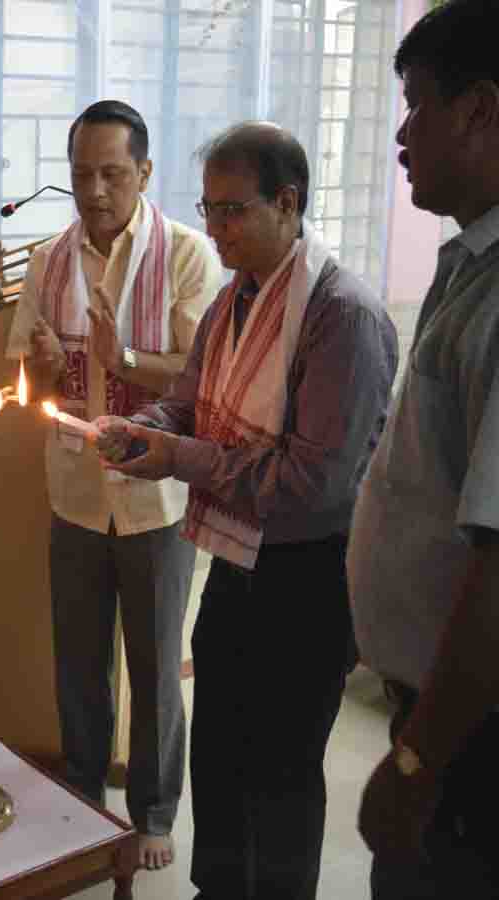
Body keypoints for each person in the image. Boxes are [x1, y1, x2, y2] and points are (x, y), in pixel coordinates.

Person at [101, 122, 398, 899]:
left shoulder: (342, 316)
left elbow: (313, 485)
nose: (213, 229)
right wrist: (144, 431)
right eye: (206, 208)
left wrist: (177, 458)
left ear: (288, 202)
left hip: (308, 577)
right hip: (237, 562)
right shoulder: (235, 298)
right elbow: (189, 405)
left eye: (232, 211)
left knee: (282, 773)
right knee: (223, 753)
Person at [6, 99, 222, 872]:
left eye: (111, 173)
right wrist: (36, 359)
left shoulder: (189, 253)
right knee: (79, 660)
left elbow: (202, 378)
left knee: (157, 664)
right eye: (80, 175)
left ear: (145, 173)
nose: (94, 190)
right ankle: (83, 792)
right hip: (74, 491)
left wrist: (123, 357)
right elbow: (33, 380)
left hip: (156, 500)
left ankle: (155, 811)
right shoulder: (48, 259)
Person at [349, 1, 499, 895]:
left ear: (479, 110)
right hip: (434, 713)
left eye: (416, 105)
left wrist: (415, 762)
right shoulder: (466, 264)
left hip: (469, 742)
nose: (401, 134)